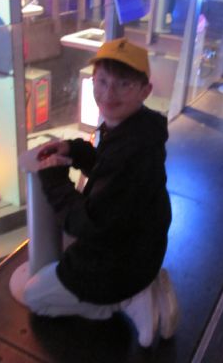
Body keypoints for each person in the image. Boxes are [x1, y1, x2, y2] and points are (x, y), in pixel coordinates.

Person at [22, 38, 179, 348]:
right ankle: (142, 288)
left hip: (116, 266)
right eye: (103, 81)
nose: (108, 94)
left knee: (33, 296)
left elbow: (83, 223)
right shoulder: (139, 129)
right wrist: (73, 149)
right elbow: (109, 171)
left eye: (123, 84)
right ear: (92, 80)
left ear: (145, 91)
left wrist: (53, 177)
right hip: (142, 251)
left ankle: (125, 300)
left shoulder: (129, 147)